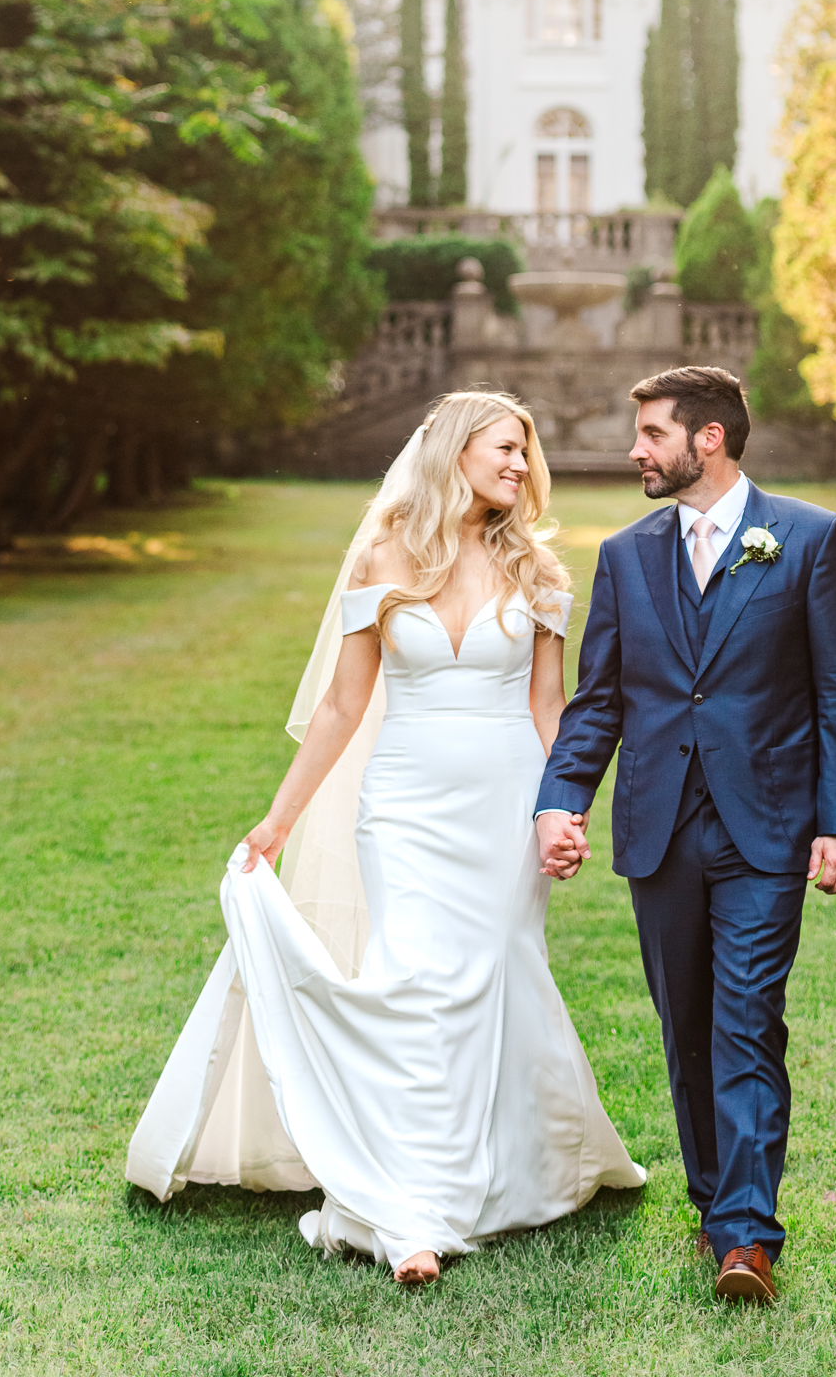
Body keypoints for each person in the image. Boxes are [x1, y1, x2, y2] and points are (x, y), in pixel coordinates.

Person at [126, 390, 644, 1284]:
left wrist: (566, 808)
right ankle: (407, 1211)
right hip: (402, 804)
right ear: (452, 452)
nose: (521, 464)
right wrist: (278, 820)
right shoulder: (383, 556)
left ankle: (518, 1168)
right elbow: (341, 704)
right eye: (504, 448)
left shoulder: (541, 574)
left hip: (505, 802)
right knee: (415, 981)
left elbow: (548, 709)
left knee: (496, 976)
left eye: (526, 451)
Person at [535, 365, 836, 1307]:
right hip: (660, 830)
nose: (635, 449)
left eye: (651, 433)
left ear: (708, 439)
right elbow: (599, 702)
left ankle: (747, 1237)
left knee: (747, 1024)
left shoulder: (806, 539)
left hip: (769, 830)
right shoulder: (627, 556)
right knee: (687, 1031)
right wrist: (560, 798)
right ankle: (716, 1203)